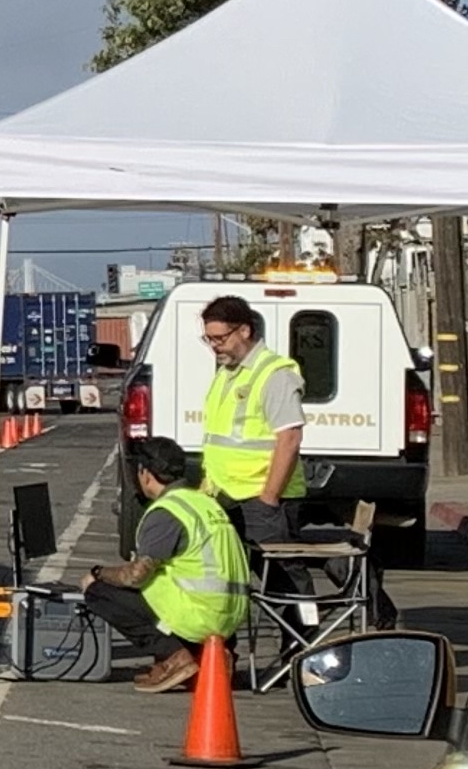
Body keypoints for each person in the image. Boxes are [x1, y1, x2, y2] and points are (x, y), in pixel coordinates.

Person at [84, 438, 251, 693]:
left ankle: (174, 657)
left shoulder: (167, 512)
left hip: (200, 615)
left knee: (99, 591)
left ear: (145, 473)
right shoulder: (205, 503)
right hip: (230, 616)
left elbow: (135, 576)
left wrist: (98, 574)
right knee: (163, 580)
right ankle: (211, 656)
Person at [197, 294, 307, 548]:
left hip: (261, 496)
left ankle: (354, 576)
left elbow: (289, 440)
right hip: (226, 495)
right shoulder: (228, 373)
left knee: (281, 573)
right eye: (209, 339)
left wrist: (269, 498)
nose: (214, 346)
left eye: (220, 338)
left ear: (244, 330)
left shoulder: (275, 374)